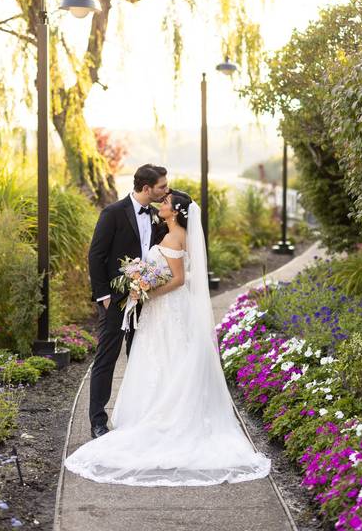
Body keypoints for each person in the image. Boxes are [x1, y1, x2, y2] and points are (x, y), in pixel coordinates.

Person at [67, 188, 272, 486]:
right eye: (162, 194)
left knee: (168, 357)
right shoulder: (168, 230)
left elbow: (177, 279)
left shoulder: (175, 237)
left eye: (166, 201)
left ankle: (166, 419)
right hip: (161, 311)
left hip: (167, 308)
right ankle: (151, 413)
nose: (162, 201)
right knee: (159, 358)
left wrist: (146, 292)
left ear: (175, 210)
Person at [86, 164, 171, 439]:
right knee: (106, 359)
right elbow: (96, 256)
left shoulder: (158, 216)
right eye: (161, 187)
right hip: (117, 301)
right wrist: (104, 297)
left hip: (147, 300)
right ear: (147, 188)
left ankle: (138, 417)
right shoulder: (112, 213)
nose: (165, 190)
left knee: (140, 357)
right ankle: (98, 421)